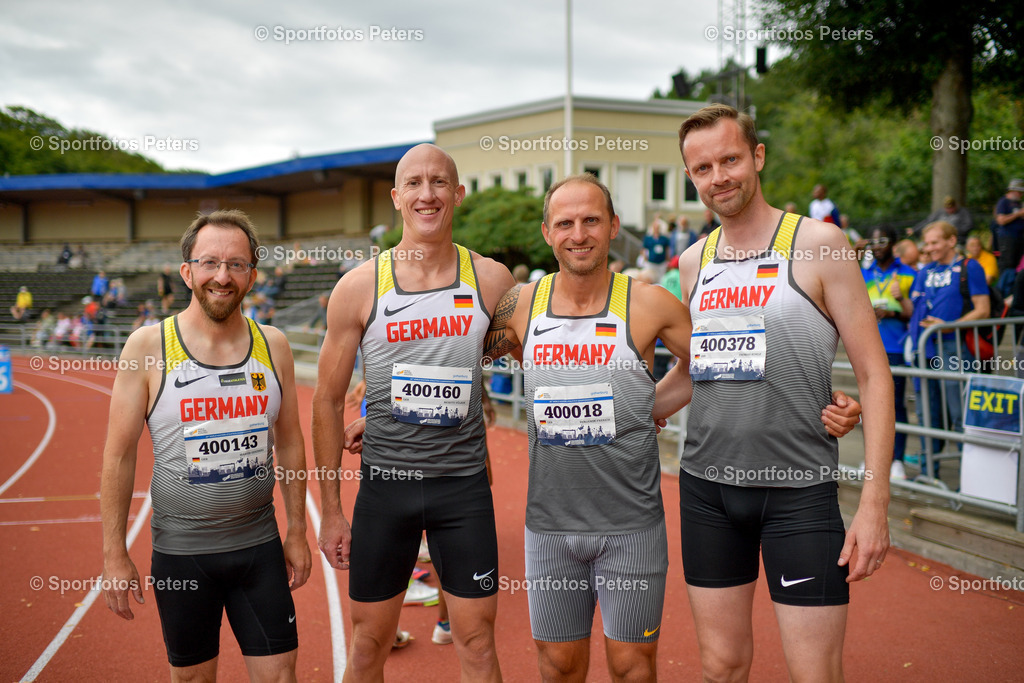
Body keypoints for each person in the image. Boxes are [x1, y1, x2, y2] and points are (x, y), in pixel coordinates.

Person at [479, 173, 862, 681]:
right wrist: (378, 405)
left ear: (613, 226)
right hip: (549, 523)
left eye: (592, 220)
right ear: (547, 231)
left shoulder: (652, 303)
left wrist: (825, 401)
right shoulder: (521, 305)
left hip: (631, 524)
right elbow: (463, 356)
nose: (579, 234)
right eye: (565, 223)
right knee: (557, 665)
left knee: (632, 667)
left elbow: (717, 364)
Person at [657, 104, 892, 682]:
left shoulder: (820, 243)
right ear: (691, 177)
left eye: (731, 159)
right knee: (721, 667)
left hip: (799, 494)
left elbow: (874, 374)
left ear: (757, 157)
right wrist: (624, 411)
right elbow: (696, 369)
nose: (720, 177)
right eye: (703, 167)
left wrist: (874, 503)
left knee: (815, 674)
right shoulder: (692, 262)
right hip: (707, 491)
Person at [312, 144, 511, 681]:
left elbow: (530, 353)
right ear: (396, 197)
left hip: (462, 488)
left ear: (458, 194)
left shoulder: (492, 281)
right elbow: (327, 399)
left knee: (476, 642)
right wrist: (330, 509)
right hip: (385, 490)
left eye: (440, 182)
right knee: (369, 642)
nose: (428, 194)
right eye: (415, 184)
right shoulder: (358, 287)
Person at [100, 209, 311, 681]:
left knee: (281, 676)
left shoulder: (273, 345)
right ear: (187, 271)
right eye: (210, 262)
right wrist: (114, 553)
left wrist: (297, 528)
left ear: (253, 275)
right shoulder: (147, 346)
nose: (223, 276)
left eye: (237, 264)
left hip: (260, 546)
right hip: (182, 555)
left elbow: (292, 442)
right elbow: (118, 456)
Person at [908, 220, 989, 465]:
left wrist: (946, 325)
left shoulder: (969, 266)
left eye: (935, 242)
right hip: (926, 348)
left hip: (955, 347)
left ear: (951, 241)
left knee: (959, 412)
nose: (929, 247)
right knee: (927, 412)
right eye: (927, 243)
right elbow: (915, 307)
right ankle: (928, 471)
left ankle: (970, 476)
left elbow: (983, 310)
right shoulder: (925, 271)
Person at [861, 226, 916, 479]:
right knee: (869, 405)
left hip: (895, 347)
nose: (876, 245)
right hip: (867, 347)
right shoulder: (863, 273)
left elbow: (913, 314)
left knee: (895, 404)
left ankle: (897, 460)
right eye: (873, 241)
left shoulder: (909, 274)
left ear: (893, 243)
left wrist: (894, 310)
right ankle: (871, 458)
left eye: (882, 240)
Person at [995, 179, 1024, 275]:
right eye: (1019, 192)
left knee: (1017, 264)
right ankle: (1004, 285)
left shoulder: (1019, 204)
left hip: (1019, 238)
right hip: (1007, 238)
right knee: (1007, 263)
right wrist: (1018, 214)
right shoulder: (1004, 202)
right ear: (1012, 191)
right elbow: (1001, 220)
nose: (1021, 194)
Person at [642, 215, 672, 281]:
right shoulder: (648, 238)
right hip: (651, 262)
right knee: (650, 277)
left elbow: (667, 249)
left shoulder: (664, 238)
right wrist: (645, 257)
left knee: (661, 278)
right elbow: (644, 249)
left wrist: (668, 259)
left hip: (661, 262)